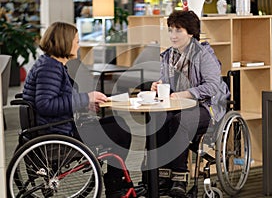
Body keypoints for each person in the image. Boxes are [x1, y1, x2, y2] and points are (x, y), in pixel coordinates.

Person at [22, 22, 136, 198]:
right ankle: (116, 186)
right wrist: (86, 98)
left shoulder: (51, 64)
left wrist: (86, 103)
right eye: (76, 41)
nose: (79, 45)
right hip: (58, 134)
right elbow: (46, 104)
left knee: (117, 123)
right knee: (120, 131)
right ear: (64, 42)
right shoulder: (50, 67)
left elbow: (57, 100)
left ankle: (117, 183)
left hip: (56, 127)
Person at [150, 10, 230, 197]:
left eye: (178, 30)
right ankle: (162, 174)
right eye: (170, 30)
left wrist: (184, 94)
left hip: (206, 107)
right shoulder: (168, 56)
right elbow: (167, 83)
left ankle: (179, 176)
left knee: (180, 120)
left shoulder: (203, 55)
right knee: (158, 118)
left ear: (191, 33)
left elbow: (212, 86)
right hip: (178, 105)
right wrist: (158, 85)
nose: (173, 35)